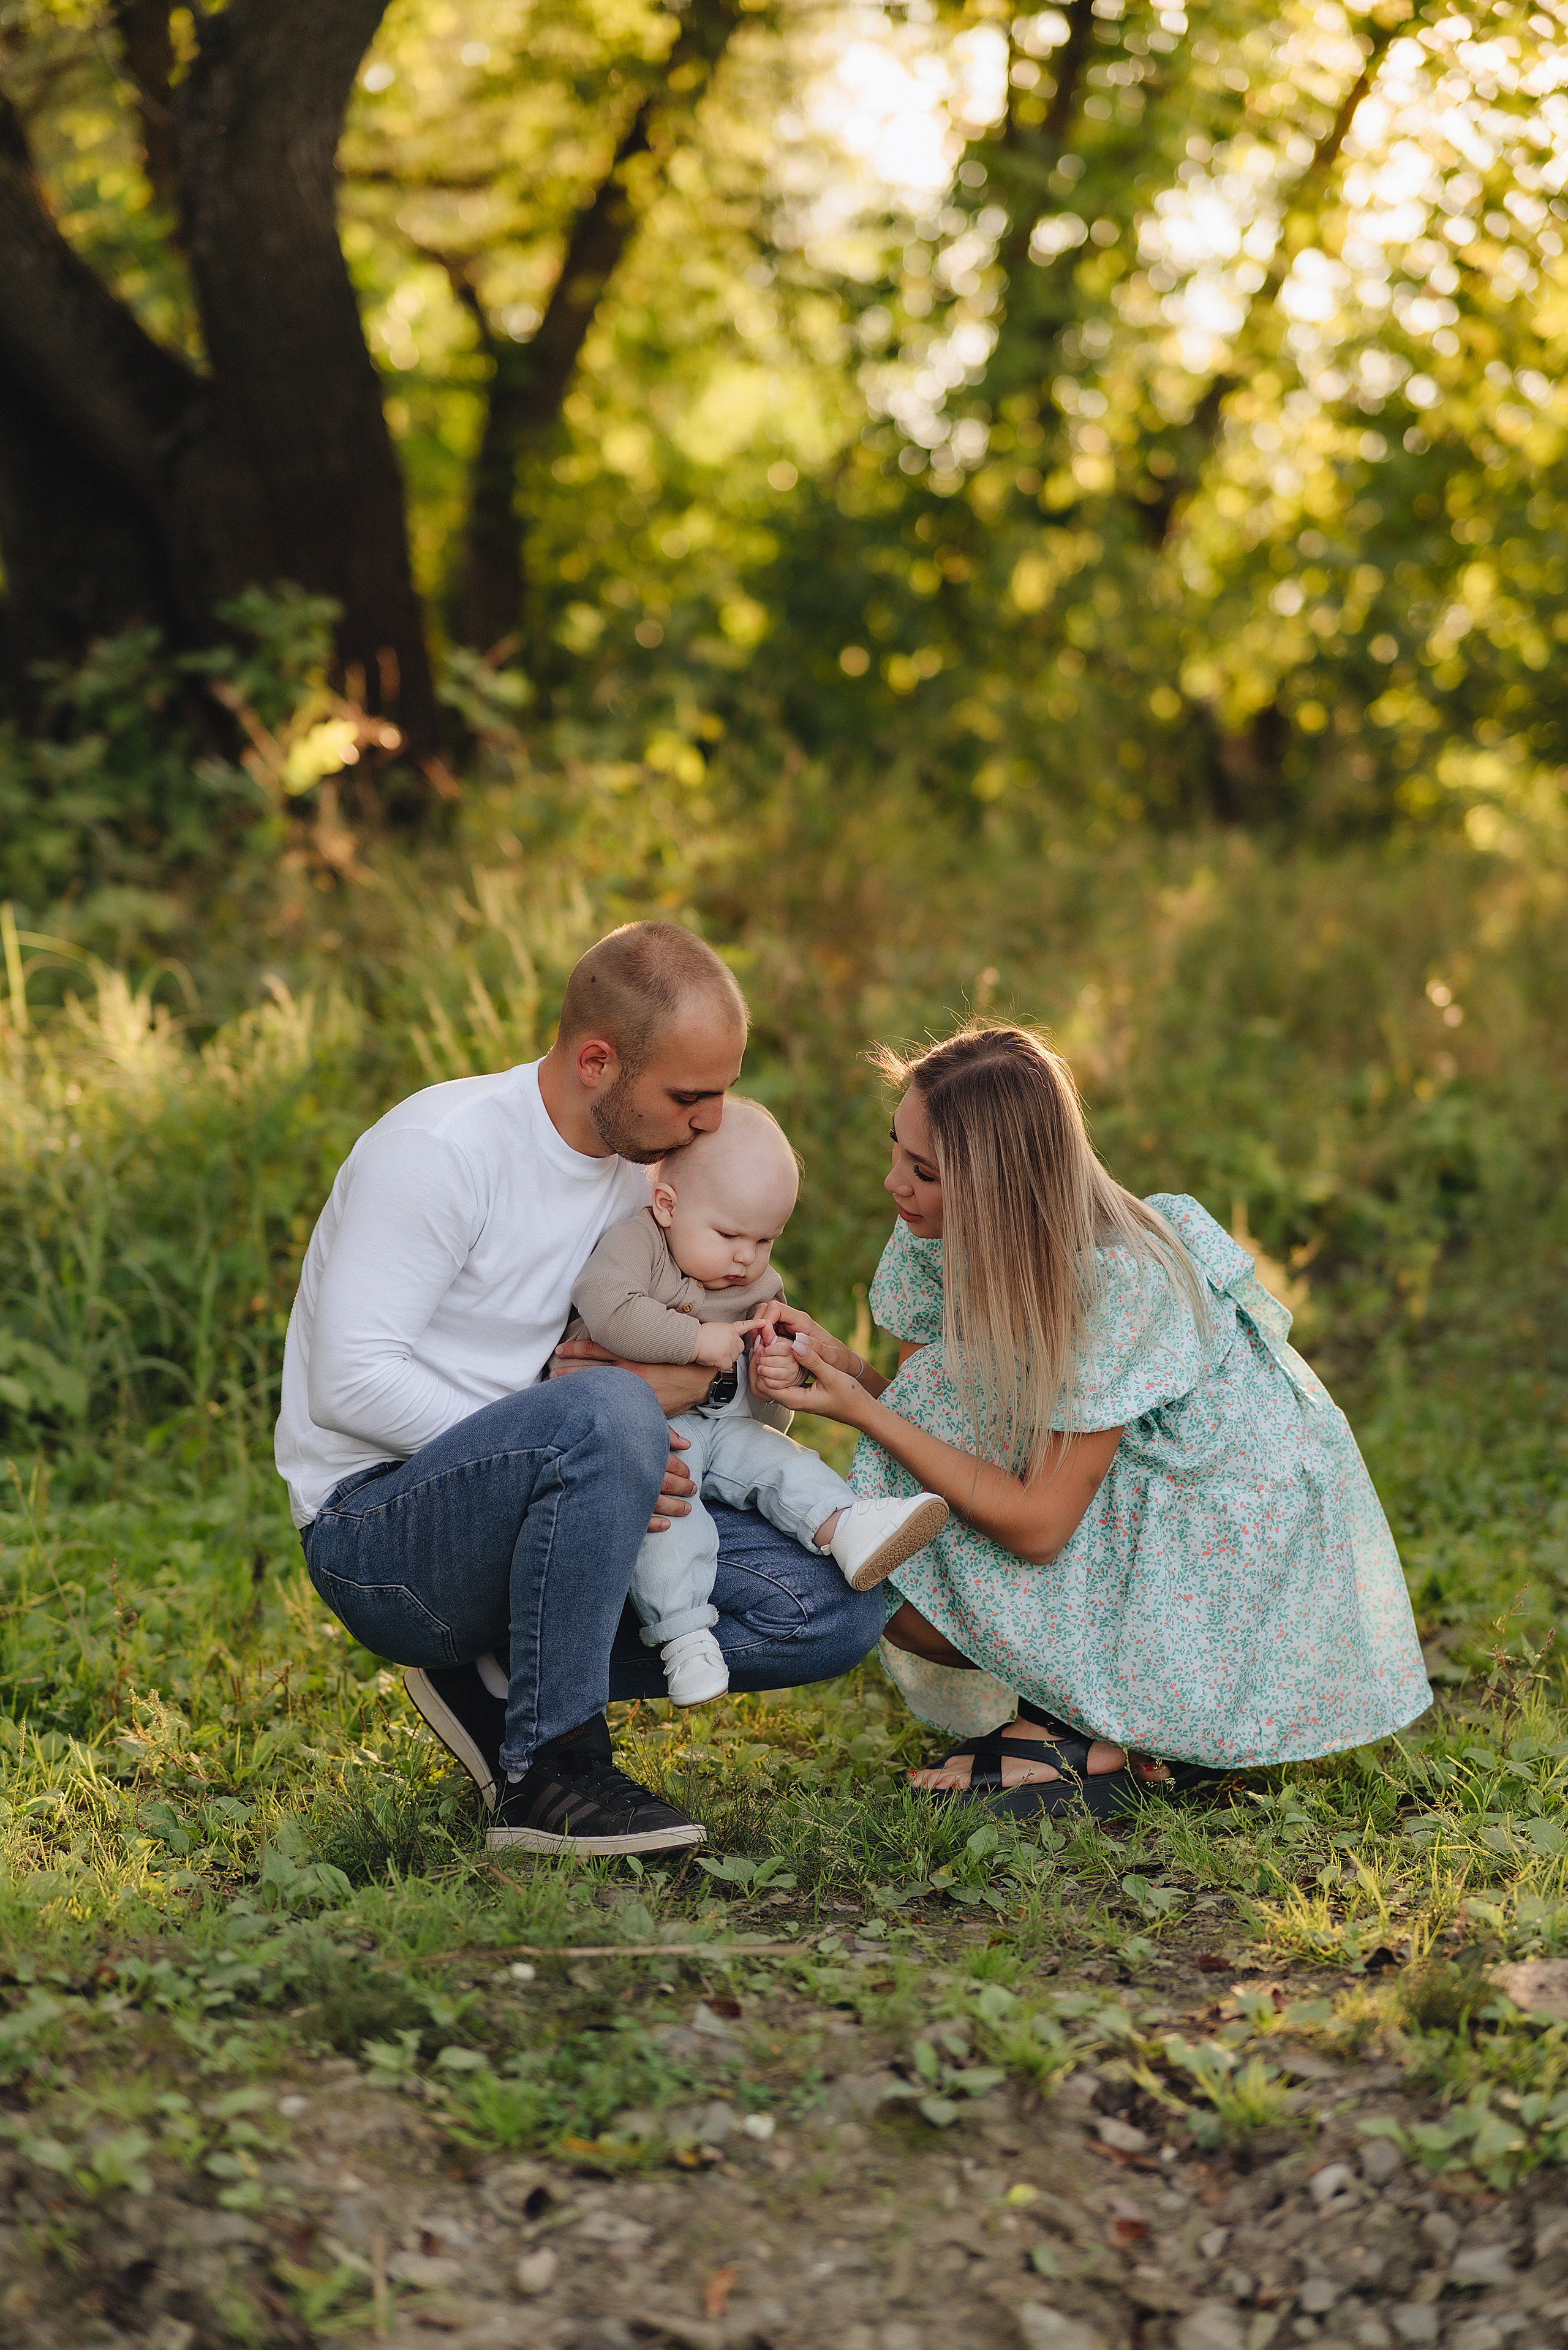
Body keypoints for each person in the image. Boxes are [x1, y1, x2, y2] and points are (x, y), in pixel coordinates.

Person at [274, 921, 886, 1855]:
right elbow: (349, 1385)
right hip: (388, 1533)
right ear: (598, 1061)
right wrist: (576, 1433)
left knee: (836, 1607)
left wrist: (751, 1364)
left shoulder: (657, 1182)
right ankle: (550, 1774)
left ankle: (502, 1672)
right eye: (692, 1096)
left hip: (577, 1506)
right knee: (607, 1414)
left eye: (721, 1092)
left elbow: (680, 1355)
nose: (713, 1121)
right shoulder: (442, 1150)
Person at [752, 1022, 1432, 1813]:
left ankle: (1090, 1729)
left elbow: (1040, 1524)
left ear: (996, 1189)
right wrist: (846, 1374)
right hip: (1105, 1495)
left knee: (907, 1546)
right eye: (897, 1150)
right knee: (899, 1558)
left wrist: (863, 1410)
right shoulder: (933, 1233)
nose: (893, 1184)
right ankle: (1082, 1718)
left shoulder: (1117, 1279)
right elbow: (927, 1423)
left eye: (924, 1170)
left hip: (1219, 1538)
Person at [565, 1098, 946, 1704]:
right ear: (667, 1206)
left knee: (782, 1461)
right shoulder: (638, 1245)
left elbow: (762, 1415)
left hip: (721, 1429)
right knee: (671, 1520)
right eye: (729, 1235)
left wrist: (768, 1379)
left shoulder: (754, 1287)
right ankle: (683, 1635)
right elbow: (607, 1306)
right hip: (651, 1436)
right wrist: (697, 1339)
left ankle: (844, 1525)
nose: (747, 1258)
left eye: (766, 1239)